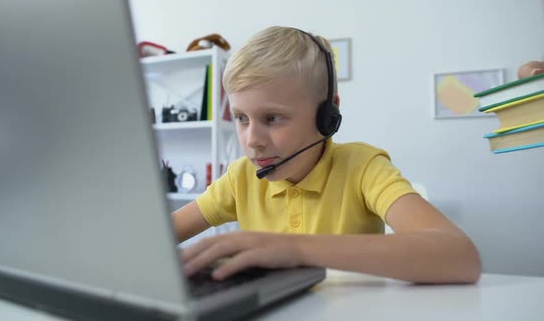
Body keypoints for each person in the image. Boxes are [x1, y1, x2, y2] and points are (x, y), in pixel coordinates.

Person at [172, 26, 481, 284]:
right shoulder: (240, 179)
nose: (252, 141)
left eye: (272, 118)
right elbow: (156, 239)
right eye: (241, 118)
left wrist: (295, 249)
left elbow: (460, 256)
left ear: (327, 115)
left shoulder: (363, 168)